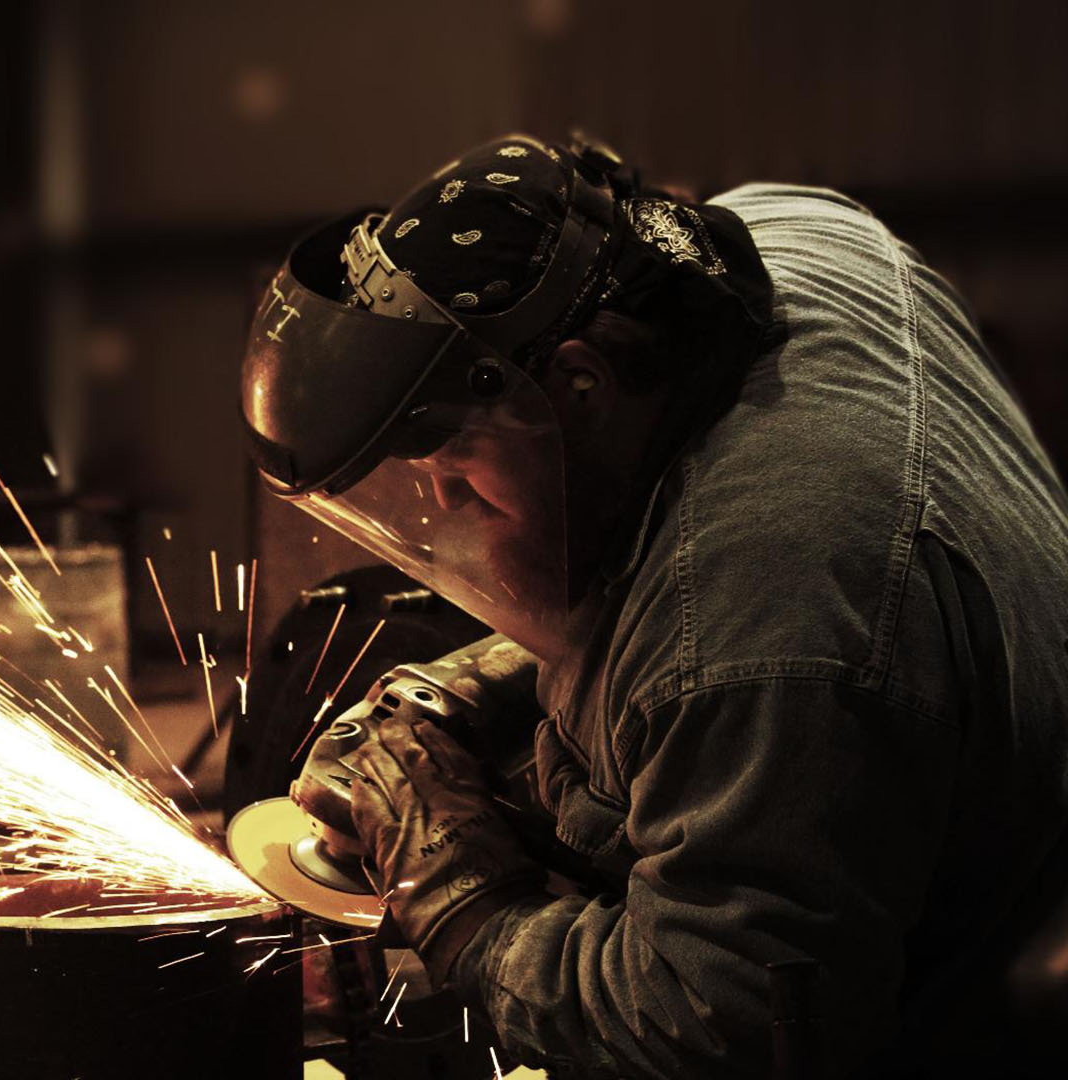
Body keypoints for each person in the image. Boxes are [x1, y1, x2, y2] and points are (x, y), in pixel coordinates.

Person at [240, 133, 1068, 1077]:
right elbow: (674, 584)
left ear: (581, 385)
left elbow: (716, 1023)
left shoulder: (762, 632)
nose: (439, 506)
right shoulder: (784, 235)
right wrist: (473, 687)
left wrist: (457, 892)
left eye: (457, 466)